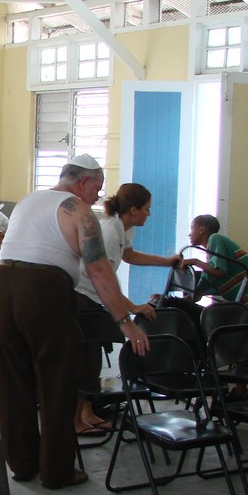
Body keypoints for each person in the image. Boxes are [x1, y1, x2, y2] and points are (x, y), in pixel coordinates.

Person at [0, 154, 149, 490]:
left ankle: (22, 463)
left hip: (1, 283)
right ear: (83, 181)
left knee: (14, 378)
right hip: (42, 289)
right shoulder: (79, 210)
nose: (98, 195)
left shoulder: (29, 199)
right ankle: (56, 471)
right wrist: (126, 322)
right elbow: (99, 269)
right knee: (57, 380)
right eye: (97, 187)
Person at [73, 183, 173, 435]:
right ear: (133, 210)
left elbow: (131, 256)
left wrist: (168, 262)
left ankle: (86, 412)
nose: (149, 213)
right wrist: (132, 307)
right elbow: (102, 278)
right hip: (83, 297)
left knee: (92, 361)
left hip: (95, 298)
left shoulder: (123, 228)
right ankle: (75, 420)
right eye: (147, 209)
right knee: (83, 361)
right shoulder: (108, 231)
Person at [180, 214, 248, 318]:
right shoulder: (209, 268)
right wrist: (175, 302)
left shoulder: (215, 238)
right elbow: (196, 295)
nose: (189, 234)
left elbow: (220, 271)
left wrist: (194, 262)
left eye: (192, 228)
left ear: (202, 229)